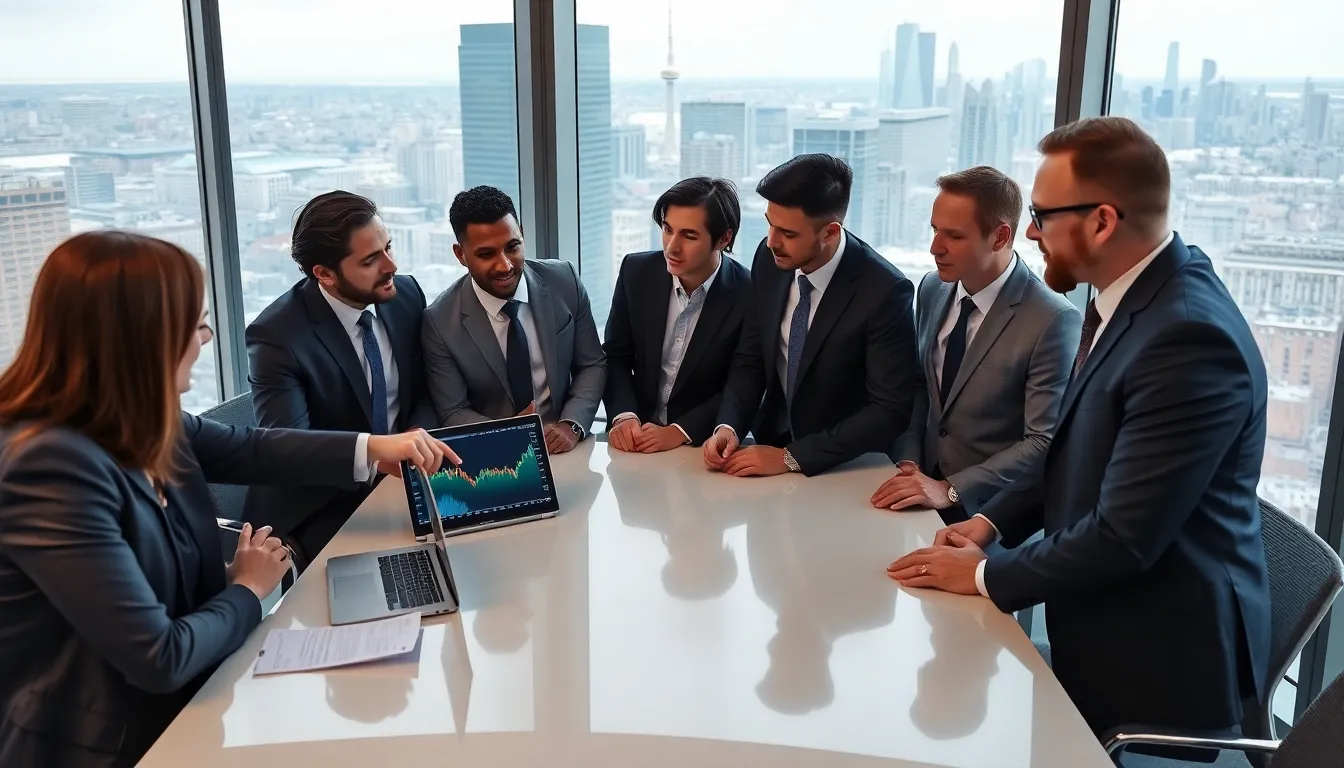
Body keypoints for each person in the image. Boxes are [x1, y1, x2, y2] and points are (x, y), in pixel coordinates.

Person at [0, 231, 454, 768]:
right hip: (118, 744)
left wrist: (373, 448)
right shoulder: (47, 467)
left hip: (199, 699)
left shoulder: (140, 417)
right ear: (142, 339)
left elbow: (251, 449)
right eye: (195, 324)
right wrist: (248, 589)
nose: (207, 338)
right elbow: (160, 656)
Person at [887, 117, 1271, 738]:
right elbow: (1070, 448)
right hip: (1097, 617)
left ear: (1102, 222)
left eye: (1043, 215)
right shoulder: (1127, 296)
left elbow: (1124, 537)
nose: (1030, 232)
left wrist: (985, 574)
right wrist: (988, 525)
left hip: (1157, 664)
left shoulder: (1188, 338)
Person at [873, 167, 1081, 523]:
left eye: (954, 236)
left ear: (1000, 237)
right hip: (916, 491)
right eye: (935, 230)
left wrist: (951, 489)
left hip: (989, 514)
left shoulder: (1052, 318)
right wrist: (908, 460)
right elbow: (920, 386)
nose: (935, 248)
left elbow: (1042, 441)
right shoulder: (931, 288)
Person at [244, 191, 438, 562]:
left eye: (388, 247)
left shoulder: (406, 296)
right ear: (325, 274)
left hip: (403, 484)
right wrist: (377, 457)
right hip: (321, 504)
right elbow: (290, 448)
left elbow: (426, 391)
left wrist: (416, 435)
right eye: (370, 260)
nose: (391, 266)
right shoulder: (276, 336)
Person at [703, 154, 918, 477]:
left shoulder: (885, 291)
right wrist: (729, 425)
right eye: (770, 224)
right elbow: (752, 357)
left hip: (844, 467)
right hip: (767, 445)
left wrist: (792, 457)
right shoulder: (768, 258)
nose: (772, 241)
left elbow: (889, 410)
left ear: (830, 232)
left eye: (788, 233)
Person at [422, 185, 606, 454]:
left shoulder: (564, 280)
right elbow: (453, 410)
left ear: (522, 233)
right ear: (460, 254)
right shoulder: (439, 322)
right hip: (496, 452)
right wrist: (506, 435)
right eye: (486, 254)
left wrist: (572, 423)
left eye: (512, 247)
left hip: (568, 443)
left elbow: (592, 364)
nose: (505, 265)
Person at [603, 176, 752, 452]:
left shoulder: (748, 293)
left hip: (699, 445)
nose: (672, 247)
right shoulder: (636, 272)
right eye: (667, 229)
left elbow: (742, 382)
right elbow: (615, 355)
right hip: (634, 437)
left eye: (689, 236)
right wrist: (624, 415)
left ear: (724, 238)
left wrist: (680, 431)